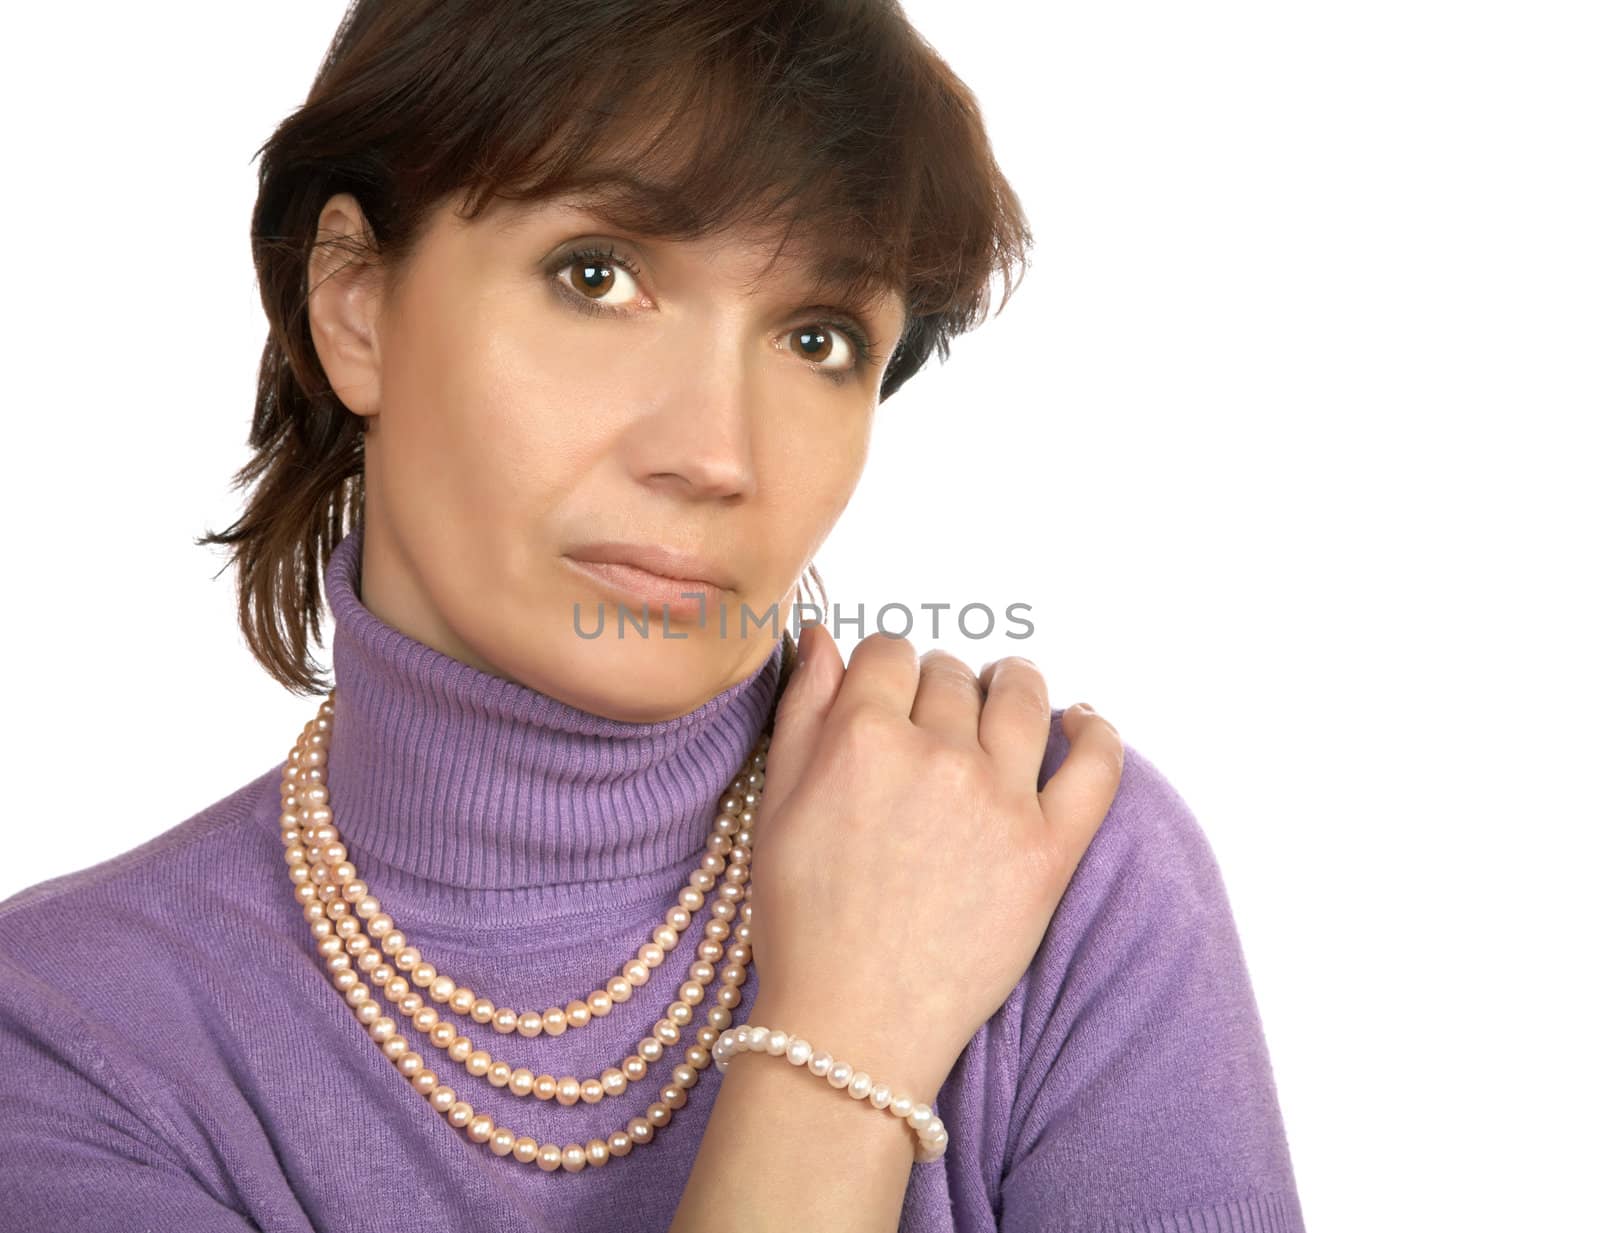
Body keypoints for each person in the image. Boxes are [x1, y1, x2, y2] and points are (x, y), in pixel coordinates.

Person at [0, 2, 1304, 1230]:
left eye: (816, 338)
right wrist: (842, 1048)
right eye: (597, 273)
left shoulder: (1045, 859)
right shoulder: (68, 1033)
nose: (716, 454)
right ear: (354, 302)